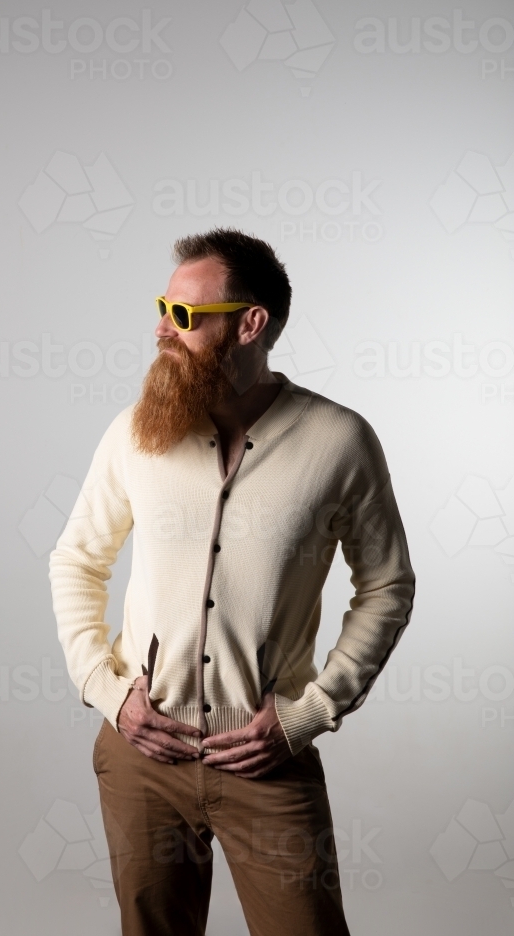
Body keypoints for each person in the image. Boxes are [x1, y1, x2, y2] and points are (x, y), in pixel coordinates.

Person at [49, 228, 415, 936]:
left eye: (185, 315)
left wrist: (309, 712)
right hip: (140, 760)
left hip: (266, 764)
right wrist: (104, 688)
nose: (162, 328)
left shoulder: (339, 439)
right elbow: (76, 559)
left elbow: (386, 584)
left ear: (250, 324)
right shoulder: (133, 432)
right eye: (162, 307)